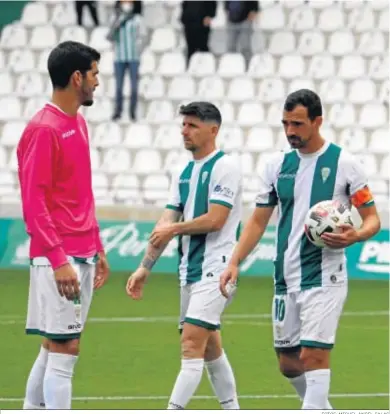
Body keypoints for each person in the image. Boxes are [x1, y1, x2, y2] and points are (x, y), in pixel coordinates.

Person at [220, 89, 381, 410]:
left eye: (298, 123)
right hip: (285, 276)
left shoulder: (345, 164)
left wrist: (356, 236)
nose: (290, 131)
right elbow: (257, 222)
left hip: (324, 277)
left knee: (314, 355)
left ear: (317, 121)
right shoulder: (277, 166)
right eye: (285, 124)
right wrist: (235, 260)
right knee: (288, 362)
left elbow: (372, 218)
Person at [126, 101, 241, 410]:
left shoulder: (225, 167)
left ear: (213, 129)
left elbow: (215, 219)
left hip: (216, 269)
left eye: (192, 125)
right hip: (188, 270)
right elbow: (165, 223)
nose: (184, 131)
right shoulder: (184, 171)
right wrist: (144, 267)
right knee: (209, 347)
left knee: (190, 343)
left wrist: (173, 229)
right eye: (183, 125)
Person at [17, 41, 110, 410]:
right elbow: (33, 202)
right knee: (65, 349)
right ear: (77, 78)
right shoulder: (44, 128)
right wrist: (58, 260)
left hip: (81, 250)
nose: (97, 82)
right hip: (60, 255)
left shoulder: (78, 123)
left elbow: (81, 193)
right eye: (94, 74)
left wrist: (98, 246)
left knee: (54, 345)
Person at [107, 0, 145, 121]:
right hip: (119, 57)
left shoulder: (138, 18)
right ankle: (118, 111)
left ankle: (132, 111)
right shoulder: (115, 17)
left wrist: (138, 49)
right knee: (119, 86)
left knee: (134, 86)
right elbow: (110, 36)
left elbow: (142, 36)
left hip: (133, 56)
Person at [180, 1, 217, 66]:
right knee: (190, 48)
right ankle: (190, 67)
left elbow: (212, 4)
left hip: (202, 24)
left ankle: (206, 66)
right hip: (189, 23)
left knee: (203, 47)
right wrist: (184, 18)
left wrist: (209, 15)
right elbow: (184, 4)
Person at [224, 1, 259, 67]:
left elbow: (255, 5)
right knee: (230, 47)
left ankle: (247, 67)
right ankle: (232, 67)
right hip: (231, 21)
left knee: (245, 47)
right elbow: (226, 6)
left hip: (245, 20)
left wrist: (252, 15)